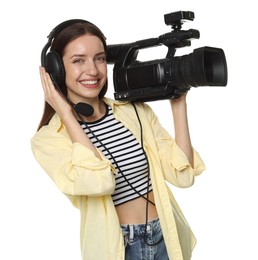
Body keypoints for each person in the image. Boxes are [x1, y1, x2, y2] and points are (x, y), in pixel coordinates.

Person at [31, 19, 205, 260]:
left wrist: (179, 102)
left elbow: (183, 176)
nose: (93, 70)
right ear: (56, 70)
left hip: (166, 234)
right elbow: (99, 181)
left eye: (100, 58)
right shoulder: (49, 139)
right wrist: (67, 116)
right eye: (78, 60)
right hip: (119, 248)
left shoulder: (133, 111)